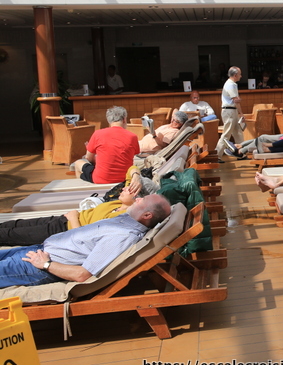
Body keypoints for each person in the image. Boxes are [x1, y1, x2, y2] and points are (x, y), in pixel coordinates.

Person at [0, 194, 171, 288]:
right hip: (39, 250)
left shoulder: (123, 236)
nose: (137, 198)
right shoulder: (125, 220)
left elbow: (82, 275)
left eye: (142, 200)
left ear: (146, 215)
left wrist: (45, 265)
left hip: (38, 266)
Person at [0, 179, 156, 246]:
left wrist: (74, 217)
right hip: (61, 220)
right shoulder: (120, 202)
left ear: (138, 198)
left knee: (9, 235)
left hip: (63, 231)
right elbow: (131, 171)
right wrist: (136, 177)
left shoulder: (121, 219)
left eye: (128, 188)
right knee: (14, 224)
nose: (122, 188)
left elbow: (83, 239)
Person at [74, 107, 140, 184]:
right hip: (124, 179)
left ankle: (82, 188)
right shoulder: (132, 136)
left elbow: (88, 157)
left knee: (77, 163)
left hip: (100, 179)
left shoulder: (98, 134)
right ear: (124, 119)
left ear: (109, 121)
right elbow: (129, 155)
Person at [215, 67, 244, 157]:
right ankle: (217, 155)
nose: (241, 76)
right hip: (229, 111)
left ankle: (242, 153)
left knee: (238, 133)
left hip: (231, 111)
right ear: (235, 75)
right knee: (227, 134)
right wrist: (241, 113)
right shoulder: (231, 84)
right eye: (240, 74)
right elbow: (236, 100)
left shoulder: (231, 84)